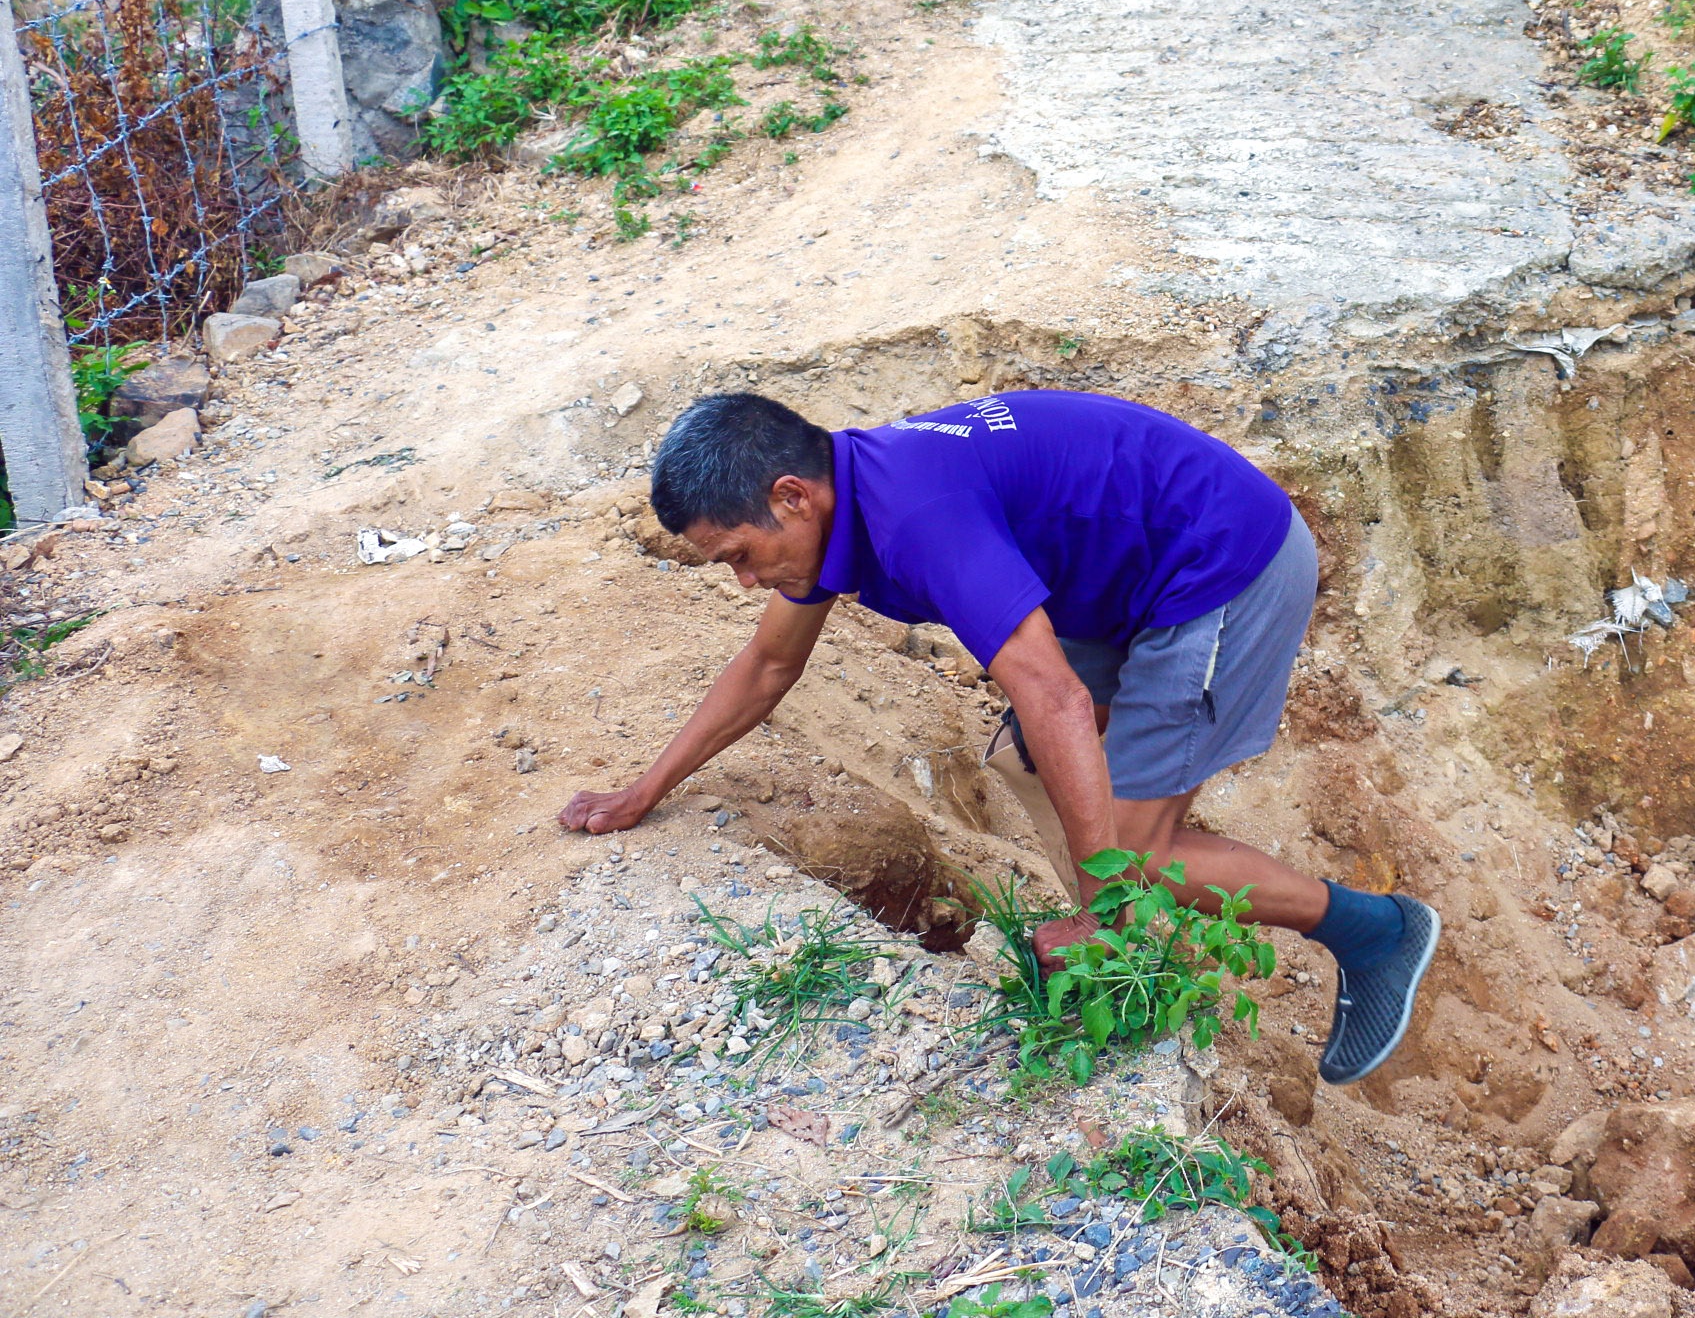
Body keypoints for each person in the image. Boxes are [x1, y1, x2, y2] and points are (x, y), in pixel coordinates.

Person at [554, 388, 1437, 1086]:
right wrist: (645, 789)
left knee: (1132, 857)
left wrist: (1099, 900)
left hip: (1219, 563)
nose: (747, 580)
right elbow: (767, 668)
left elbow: (1051, 692)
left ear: (793, 495)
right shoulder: (843, 504)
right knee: (1027, 766)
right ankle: (1130, 951)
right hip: (1121, 572)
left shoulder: (915, 516)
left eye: (741, 553)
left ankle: (1372, 931)